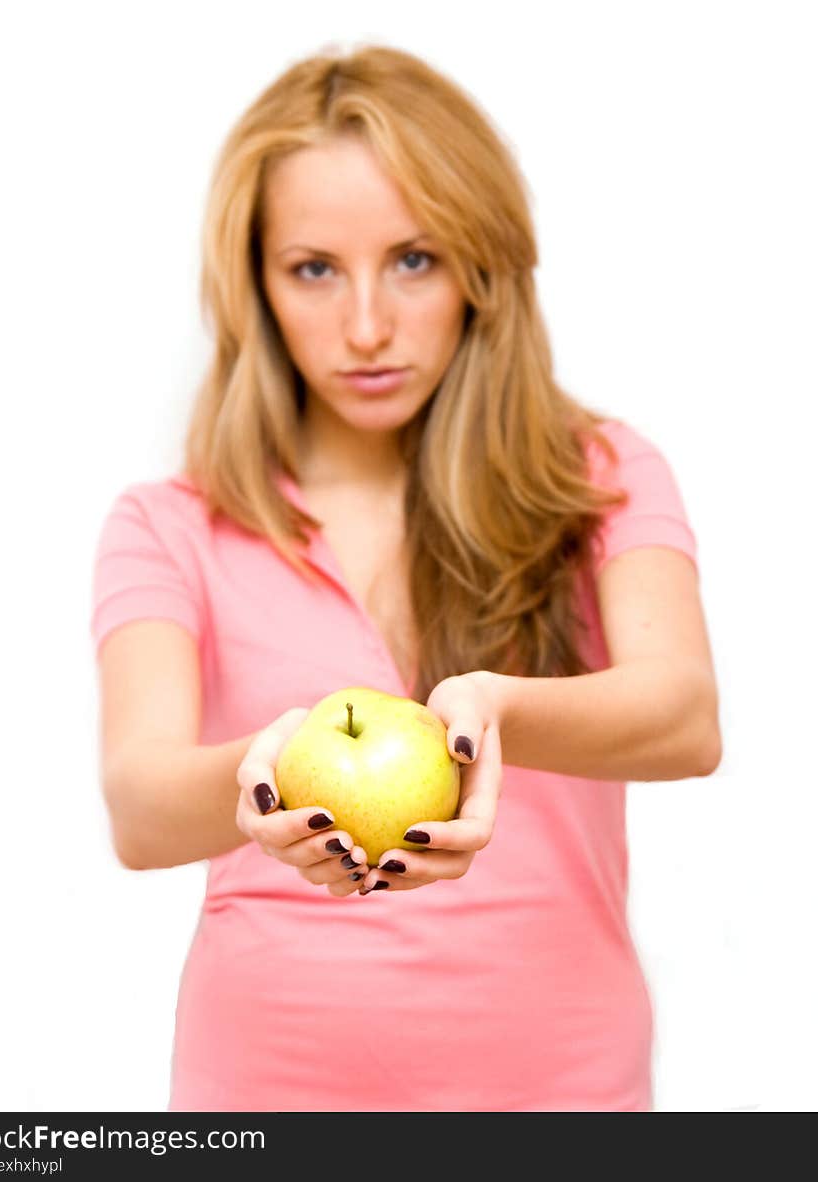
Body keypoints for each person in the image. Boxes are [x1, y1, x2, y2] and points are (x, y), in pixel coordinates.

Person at [90, 43, 721, 1113]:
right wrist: (268, 773)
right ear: (254, 287)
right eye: (314, 268)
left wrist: (491, 710)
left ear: (481, 266)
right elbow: (141, 809)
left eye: (415, 258)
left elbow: (684, 717)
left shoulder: (599, 475)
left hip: (562, 1096)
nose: (369, 326)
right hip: (261, 1101)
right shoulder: (168, 525)